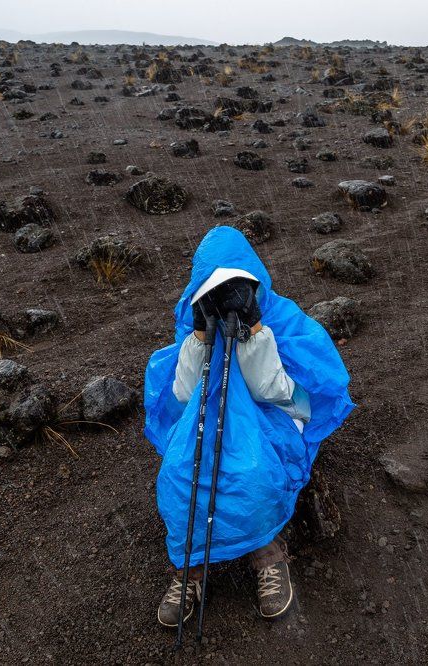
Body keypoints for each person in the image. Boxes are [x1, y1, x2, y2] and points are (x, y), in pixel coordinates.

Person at [144, 226, 354, 627]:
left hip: (267, 418)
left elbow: (274, 390)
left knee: (253, 472)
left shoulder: (280, 317)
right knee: (178, 474)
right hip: (204, 419)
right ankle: (191, 567)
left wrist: (253, 331)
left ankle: (268, 554)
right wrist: (200, 334)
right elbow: (185, 393)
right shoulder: (195, 320)